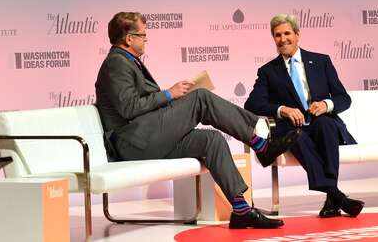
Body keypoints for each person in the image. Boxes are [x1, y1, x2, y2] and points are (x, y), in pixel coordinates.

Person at [95, 12, 299, 229]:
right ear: (129, 38)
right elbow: (129, 108)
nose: (146, 39)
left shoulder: (128, 61)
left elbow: (139, 104)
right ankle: (260, 144)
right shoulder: (116, 63)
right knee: (201, 98)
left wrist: (172, 99)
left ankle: (241, 210)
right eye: (143, 35)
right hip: (133, 142)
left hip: (147, 137)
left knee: (212, 140)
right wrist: (168, 94)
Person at [244, 13, 364, 218]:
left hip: (321, 123)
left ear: (297, 34)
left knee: (326, 125)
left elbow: (344, 98)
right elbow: (252, 104)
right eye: (277, 35)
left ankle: (333, 198)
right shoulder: (268, 71)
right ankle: (337, 196)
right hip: (292, 128)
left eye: (287, 33)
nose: (283, 39)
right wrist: (283, 109)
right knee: (296, 135)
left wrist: (326, 105)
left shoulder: (321, 61)